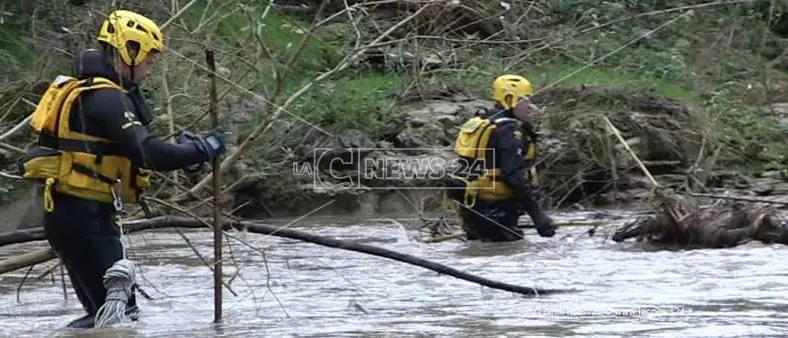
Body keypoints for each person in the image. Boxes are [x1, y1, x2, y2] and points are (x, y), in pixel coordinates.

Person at [18, 10, 226, 329]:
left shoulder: (93, 91)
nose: (149, 69)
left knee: (107, 316)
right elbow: (148, 153)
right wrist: (202, 149)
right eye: (149, 60)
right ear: (130, 51)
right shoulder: (106, 98)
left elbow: (129, 147)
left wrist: (188, 152)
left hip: (73, 215)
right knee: (117, 317)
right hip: (85, 220)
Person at [443, 74, 556, 242]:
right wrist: (538, 216)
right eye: (526, 101)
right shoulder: (508, 131)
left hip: (473, 206)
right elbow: (513, 177)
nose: (531, 107)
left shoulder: (484, 120)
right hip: (496, 209)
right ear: (510, 99)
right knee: (507, 254)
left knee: (481, 250)